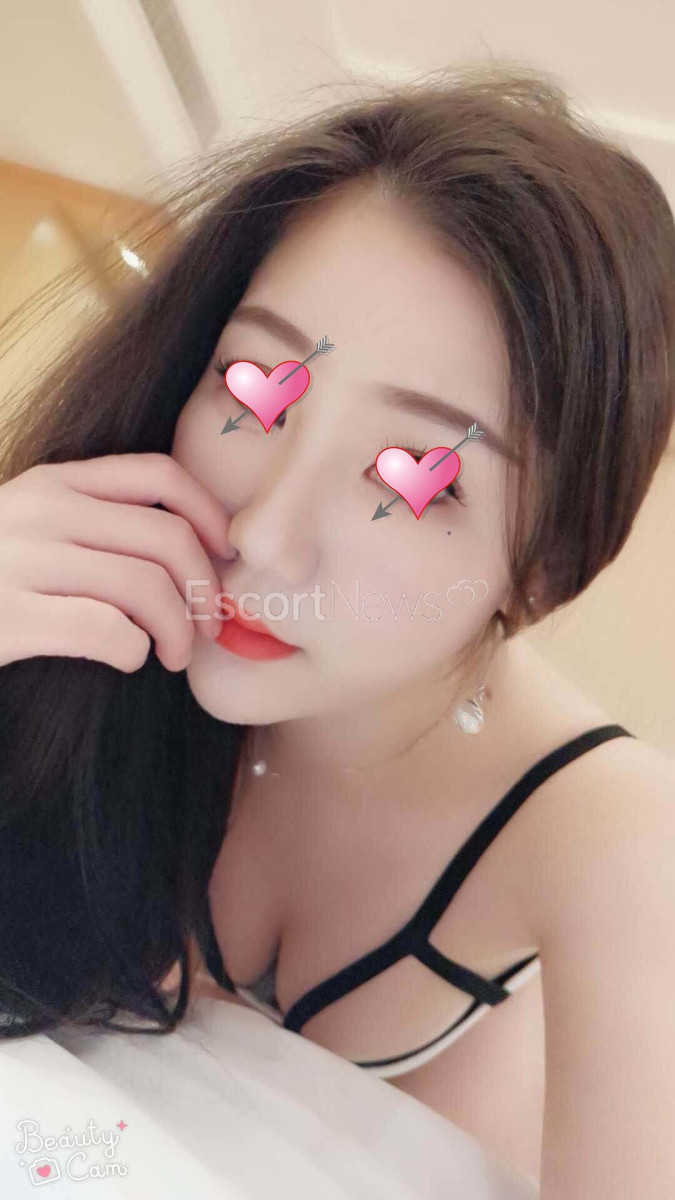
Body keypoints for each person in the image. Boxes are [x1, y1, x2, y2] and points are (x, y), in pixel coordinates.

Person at [0, 62, 674, 1195]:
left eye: (412, 482)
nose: (262, 537)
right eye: (253, 389)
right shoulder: (109, 622)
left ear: (544, 572)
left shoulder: (615, 839)